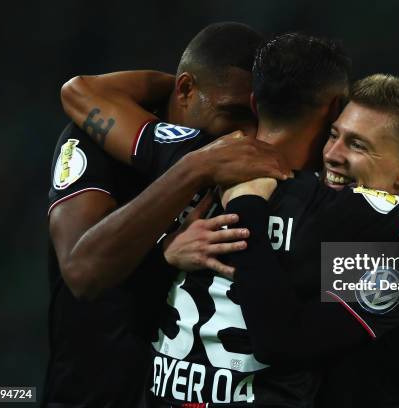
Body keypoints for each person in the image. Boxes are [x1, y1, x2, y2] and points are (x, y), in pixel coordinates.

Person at [61, 34, 399, 407]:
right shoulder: (345, 215)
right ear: (331, 110)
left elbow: (79, 92)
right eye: (335, 136)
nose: (334, 155)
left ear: (256, 102)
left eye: (356, 145)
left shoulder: (198, 157)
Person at [45, 22, 289, 408]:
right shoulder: (96, 142)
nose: (245, 134)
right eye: (234, 114)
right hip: (95, 392)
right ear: (187, 90)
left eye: (255, 119)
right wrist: (192, 169)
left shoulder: (251, 161)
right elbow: (82, 272)